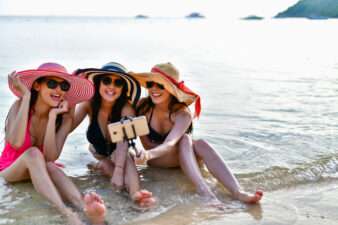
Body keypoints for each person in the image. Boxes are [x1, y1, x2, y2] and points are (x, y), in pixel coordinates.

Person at [131, 62, 263, 209]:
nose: (154, 89)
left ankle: (238, 192)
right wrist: (144, 155)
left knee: (200, 143)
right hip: (157, 159)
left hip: (176, 155)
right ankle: (206, 192)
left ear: (172, 89)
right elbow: (147, 144)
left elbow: (170, 143)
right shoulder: (142, 107)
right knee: (187, 139)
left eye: (161, 85)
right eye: (150, 84)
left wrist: (147, 154)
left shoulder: (182, 114)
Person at [0, 63, 106, 225]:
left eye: (63, 85)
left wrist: (52, 118)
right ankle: (66, 213)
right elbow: (16, 142)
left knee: (50, 165)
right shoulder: (20, 105)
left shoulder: (62, 118)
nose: (58, 89)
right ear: (37, 85)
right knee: (34, 153)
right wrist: (26, 98)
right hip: (10, 169)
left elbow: (49, 157)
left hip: (40, 168)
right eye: (51, 83)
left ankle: (84, 208)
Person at [72, 62, 155, 207]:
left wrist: (119, 170)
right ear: (99, 84)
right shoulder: (89, 104)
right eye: (106, 81)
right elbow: (68, 127)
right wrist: (72, 93)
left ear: (122, 88)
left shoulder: (126, 108)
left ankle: (136, 193)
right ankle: (129, 195)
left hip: (119, 152)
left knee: (125, 161)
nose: (111, 86)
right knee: (110, 170)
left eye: (117, 83)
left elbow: (123, 143)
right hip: (96, 155)